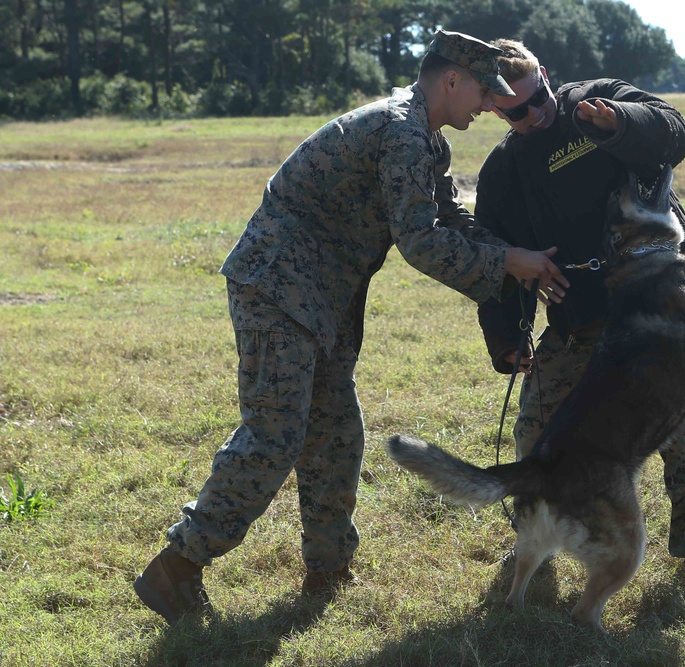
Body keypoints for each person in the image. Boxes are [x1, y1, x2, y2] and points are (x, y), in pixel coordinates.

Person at [132, 30, 570, 625]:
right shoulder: (403, 133)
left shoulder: (425, 140)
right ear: (451, 80)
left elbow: (447, 218)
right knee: (275, 435)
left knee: (337, 431)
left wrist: (512, 254)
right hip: (279, 287)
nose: (489, 106)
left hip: (321, 297)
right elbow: (421, 243)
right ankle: (176, 567)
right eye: (483, 92)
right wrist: (507, 264)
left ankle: (329, 566)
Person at [474, 39, 685, 581]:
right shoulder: (503, 172)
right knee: (537, 435)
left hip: (663, 319)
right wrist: (506, 338)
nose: (535, 114)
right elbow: (501, 258)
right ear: (494, 108)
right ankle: (533, 548)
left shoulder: (598, 102)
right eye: (516, 111)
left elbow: (673, 132)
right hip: (578, 323)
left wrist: (620, 124)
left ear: (546, 74)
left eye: (538, 97)